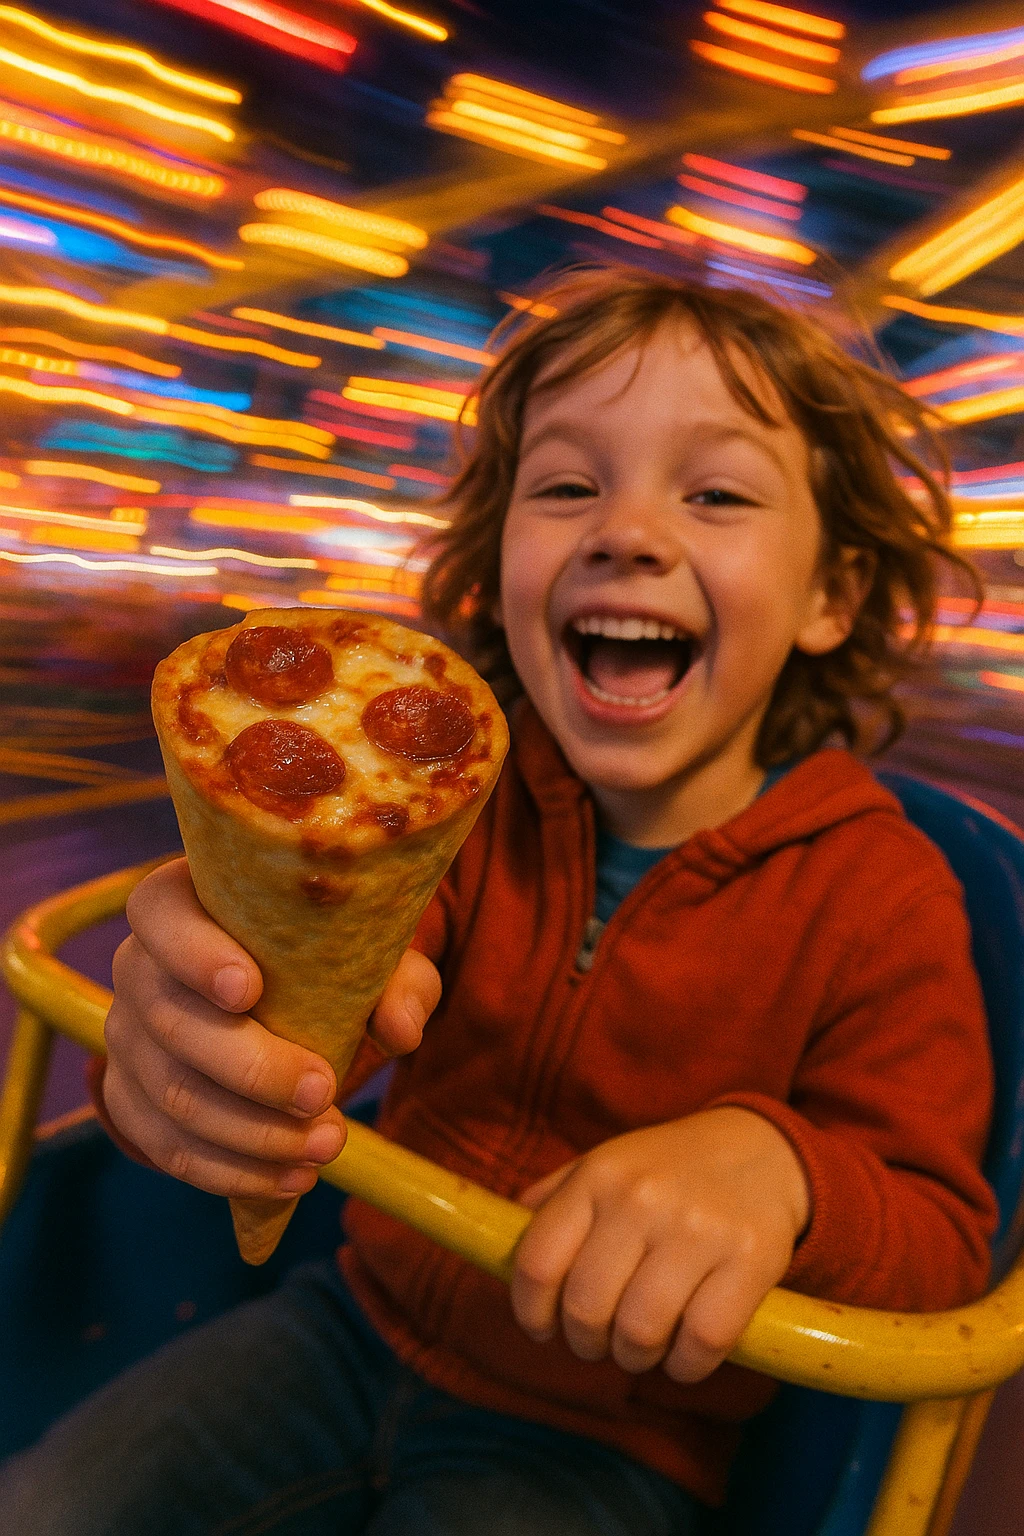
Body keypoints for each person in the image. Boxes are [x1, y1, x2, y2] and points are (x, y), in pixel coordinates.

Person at [0, 265, 998, 1535]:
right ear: (500, 563)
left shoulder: (885, 893)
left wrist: (785, 1169)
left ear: (828, 597)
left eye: (717, 493)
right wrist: (208, 1032)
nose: (626, 531)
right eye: (569, 485)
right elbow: (345, 1002)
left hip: (624, 1430)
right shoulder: (455, 813)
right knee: (47, 1504)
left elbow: (937, 1231)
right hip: (355, 1319)